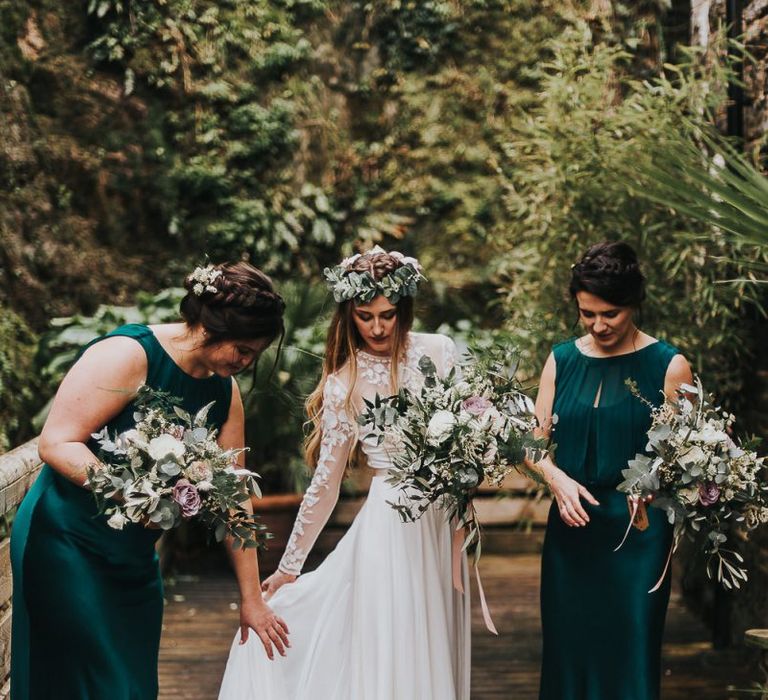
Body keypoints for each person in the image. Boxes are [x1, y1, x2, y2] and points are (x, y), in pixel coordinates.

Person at [10, 262, 289, 700]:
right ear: (210, 326)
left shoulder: (223, 392)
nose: (246, 363)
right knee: (84, 682)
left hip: (134, 559)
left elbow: (234, 496)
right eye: (242, 350)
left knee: (132, 687)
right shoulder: (128, 354)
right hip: (66, 541)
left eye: (254, 355)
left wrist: (251, 599)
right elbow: (57, 442)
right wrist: (130, 492)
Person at [218, 247, 470, 700]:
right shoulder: (344, 381)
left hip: (441, 520)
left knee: (433, 634)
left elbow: (472, 421)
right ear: (348, 314)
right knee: (393, 636)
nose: (377, 328)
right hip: (390, 527)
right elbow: (326, 484)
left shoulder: (440, 352)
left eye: (389, 315)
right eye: (365, 316)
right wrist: (289, 568)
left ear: (404, 309)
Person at [529, 241, 693, 700]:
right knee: (569, 656)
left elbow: (686, 456)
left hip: (638, 534)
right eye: (587, 313)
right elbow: (531, 443)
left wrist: (657, 484)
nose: (598, 325)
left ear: (633, 304)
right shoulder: (561, 359)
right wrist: (556, 479)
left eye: (610, 314)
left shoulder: (670, 365)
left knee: (631, 654)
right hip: (571, 531)